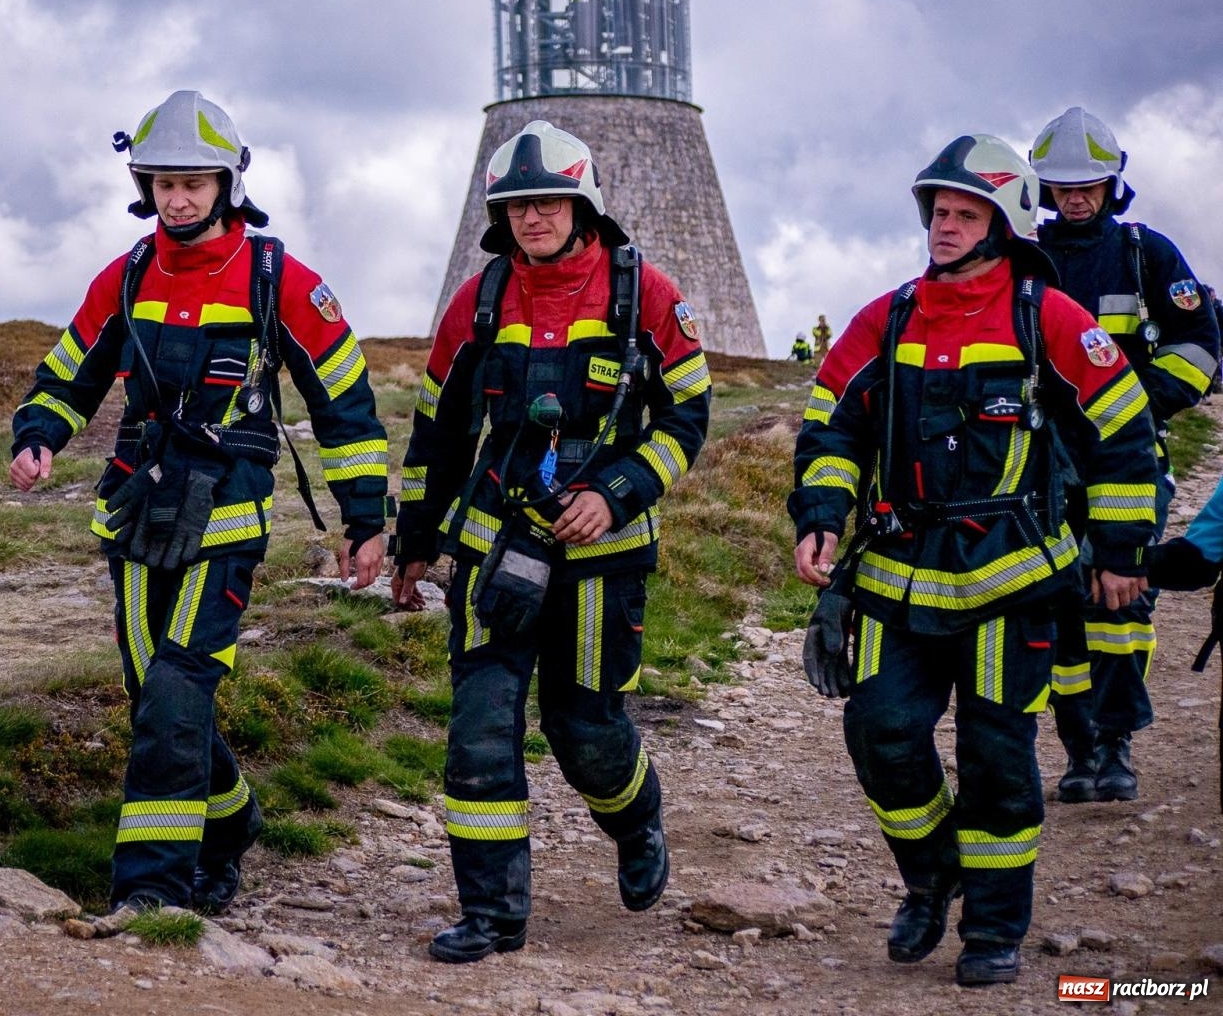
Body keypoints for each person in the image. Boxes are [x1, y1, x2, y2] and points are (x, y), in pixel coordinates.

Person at [9, 90, 389, 927]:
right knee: (154, 697)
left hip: (227, 526)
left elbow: (345, 404)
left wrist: (365, 520)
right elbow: (68, 373)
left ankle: (153, 892)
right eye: (163, 183)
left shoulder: (281, 280)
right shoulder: (126, 276)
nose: (177, 199)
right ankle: (232, 821)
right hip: (135, 515)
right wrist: (38, 435)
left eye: (193, 183)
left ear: (227, 184)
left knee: (178, 693)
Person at [790, 134, 1158, 986]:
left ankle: (993, 928)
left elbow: (1124, 435)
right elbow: (831, 431)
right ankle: (931, 877)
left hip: (1012, 582)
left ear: (1005, 225)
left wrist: (1118, 551)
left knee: (996, 757)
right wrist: (822, 515)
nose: (945, 227)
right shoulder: (884, 319)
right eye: (939, 212)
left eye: (965, 214)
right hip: (896, 577)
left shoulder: (1048, 317)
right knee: (880, 733)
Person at [391, 120, 710, 963]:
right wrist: (413, 542)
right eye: (517, 206)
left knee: (585, 732)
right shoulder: (478, 302)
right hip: (494, 552)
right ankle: (493, 916)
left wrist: (615, 494)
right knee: (479, 730)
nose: (532, 218)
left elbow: (687, 418)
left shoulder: (647, 295)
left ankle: (638, 824)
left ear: (583, 206)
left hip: (602, 564)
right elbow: (437, 433)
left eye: (548, 203)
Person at [1030, 106, 1221, 802]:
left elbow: (1200, 345)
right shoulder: (1023, 259)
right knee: (1058, 604)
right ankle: (1078, 748)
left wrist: (1140, 404)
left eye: (1088, 186)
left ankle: (1116, 744)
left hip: (1130, 459)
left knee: (1119, 595)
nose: (1076, 198)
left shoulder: (1148, 255)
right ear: (1045, 188)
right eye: (1063, 186)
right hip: (1041, 465)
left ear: (1112, 184)